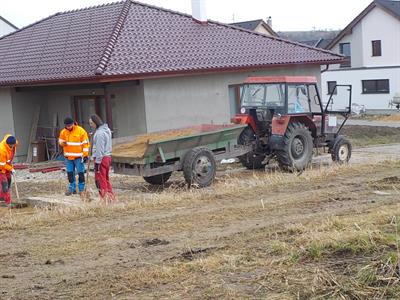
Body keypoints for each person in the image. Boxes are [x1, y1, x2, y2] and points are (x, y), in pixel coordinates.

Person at [59, 117, 90, 196]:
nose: (68, 127)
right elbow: (60, 141)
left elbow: (85, 144)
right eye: (67, 126)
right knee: (70, 173)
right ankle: (72, 188)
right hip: (68, 157)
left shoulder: (81, 131)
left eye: (70, 125)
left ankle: (81, 189)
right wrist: (62, 143)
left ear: (73, 124)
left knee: (81, 173)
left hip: (79, 157)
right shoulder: (63, 132)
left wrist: (85, 155)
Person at [89, 114, 115, 202]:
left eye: (91, 123)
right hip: (107, 157)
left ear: (96, 122)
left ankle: (104, 199)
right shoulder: (106, 130)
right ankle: (111, 197)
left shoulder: (100, 133)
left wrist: (98, 162)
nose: (91, 125)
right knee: (105, 178)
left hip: (101, 159)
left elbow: (100, 149)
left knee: (100, 180)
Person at [0, 134, 17, 207]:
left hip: (7, 165)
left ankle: (2, 197)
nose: (13, 147)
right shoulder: (2, 150)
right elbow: (2, 164)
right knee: (5, 184)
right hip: (1, 167)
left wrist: (10, 166)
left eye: (14, 145)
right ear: (8, 144)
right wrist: (11, 169)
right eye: (11, 146)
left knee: (9, 180)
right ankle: (8, 202)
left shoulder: (14, 142)